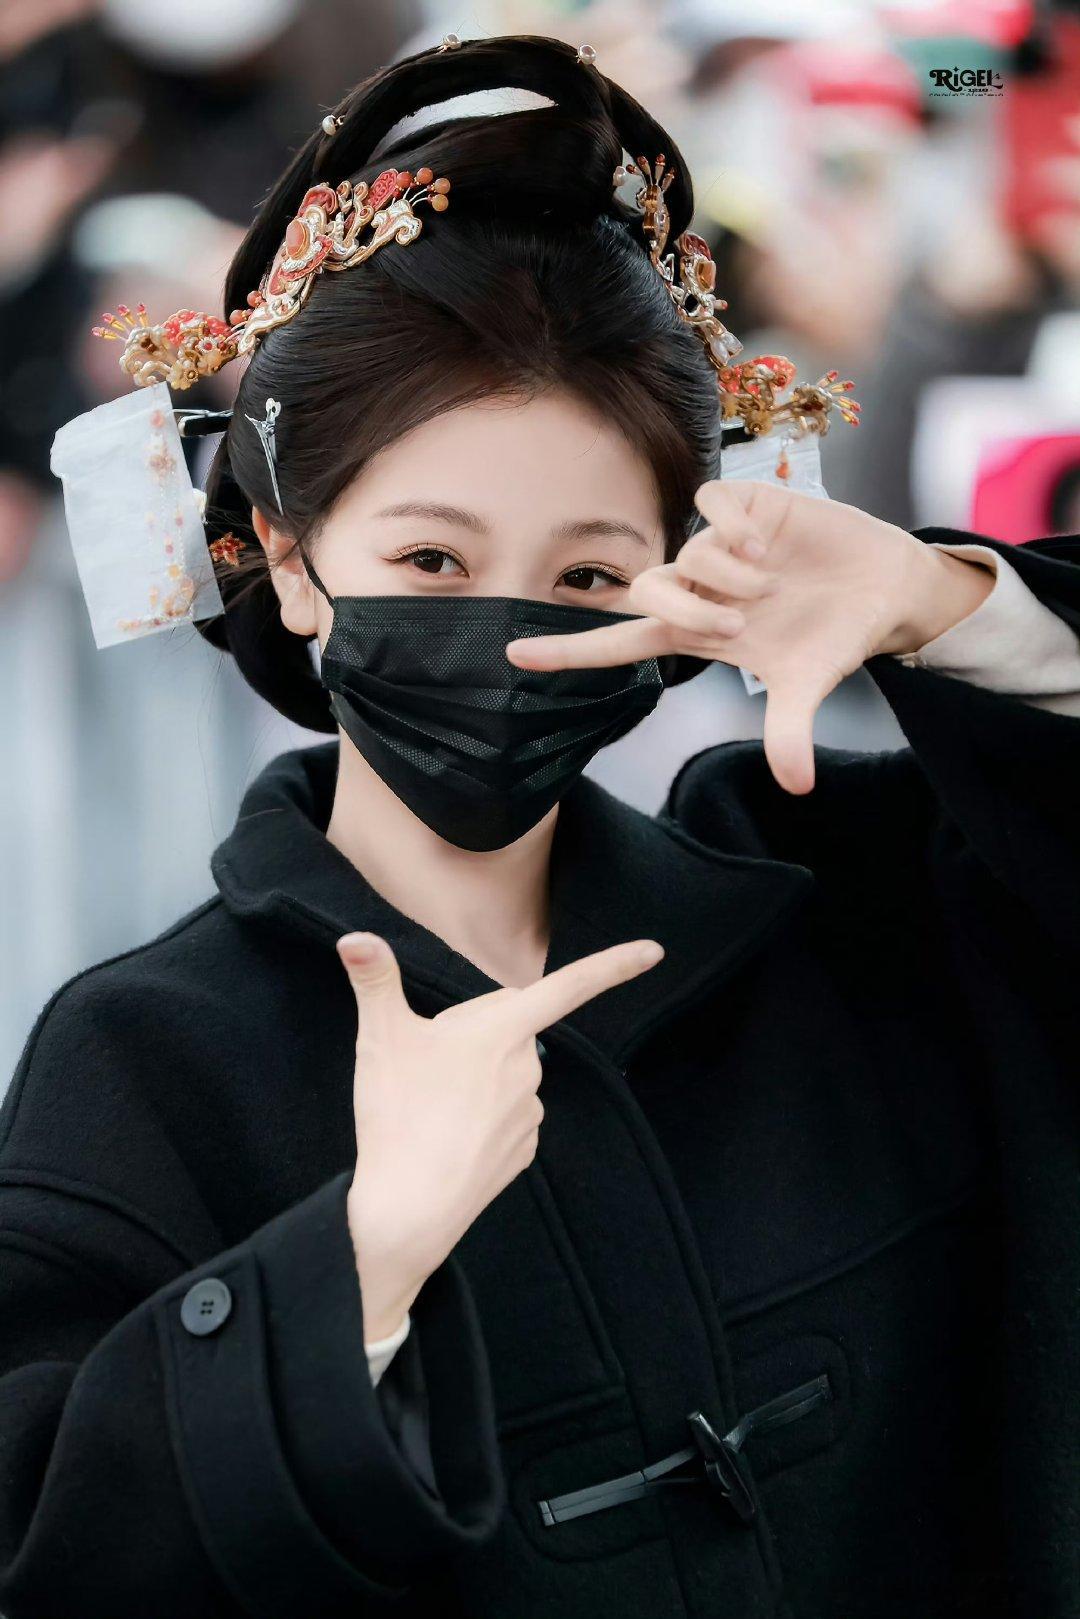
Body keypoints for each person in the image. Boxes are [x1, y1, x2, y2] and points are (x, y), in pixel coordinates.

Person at [4, 33, 1080, 1619]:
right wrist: (359, 1263)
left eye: (588, 577)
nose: (509, 633)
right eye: (431, 562)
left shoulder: (858, 899)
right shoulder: (149, 1068)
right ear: (291, 559)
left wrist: (953, 605)